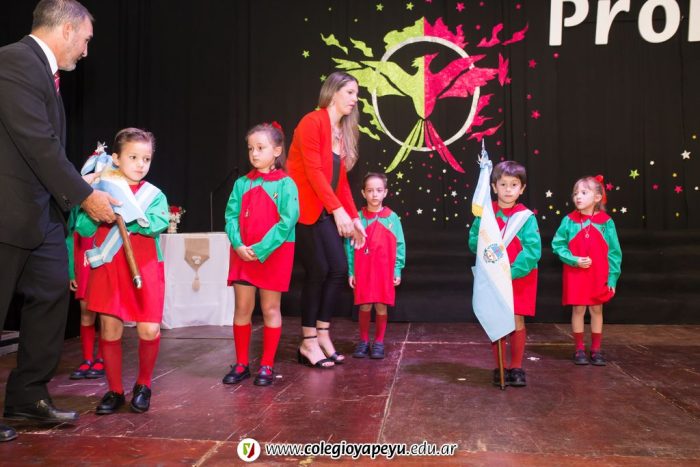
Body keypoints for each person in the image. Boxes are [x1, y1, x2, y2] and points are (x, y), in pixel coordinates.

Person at [0, 0, 116, 440]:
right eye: (85, 40)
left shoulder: (43, 72)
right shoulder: (14, 61)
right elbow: (37, 142)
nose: (86, 51)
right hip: (7, 211)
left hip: (40, 213)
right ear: (67, 29)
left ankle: (28, 398)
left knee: (51, 293)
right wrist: (85, 196)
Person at [75, 128, 169, 414]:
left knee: (149, 328)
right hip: (110, 266)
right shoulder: (101, 191)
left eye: (146, 159)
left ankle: (143, 385)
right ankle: (115, 390)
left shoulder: (154, 194)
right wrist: (97, 213)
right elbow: (83, 227)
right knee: (110, 328)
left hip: (145, 266)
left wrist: (130, 218)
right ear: (115, 158)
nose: (141, 164)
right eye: (133, 157)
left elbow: (158, 223)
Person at [287, 71, 366, 369]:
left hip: (325, 210)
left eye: (356, 94)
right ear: (333, 93)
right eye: (350, 92)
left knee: (338, 269)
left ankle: (322, 334)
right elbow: (313, 172)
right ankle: (307, 341)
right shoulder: (312, 122)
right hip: (305, 210)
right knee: (318, 270)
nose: (354, 99)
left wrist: (354, 217)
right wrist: (337, 211)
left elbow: (341, 182)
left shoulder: (340, 131)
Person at [222, 123, 299, 387]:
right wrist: (238, 244)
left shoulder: (286, 184)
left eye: (260, 148)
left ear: (276, 150)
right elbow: (231, 216)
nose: (254, 153)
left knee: (270, 308)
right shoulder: (242, 184)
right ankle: (241, 363)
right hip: (243, 254)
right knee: (242, 308)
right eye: (250, 148)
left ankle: (267, 364)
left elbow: (287, 221)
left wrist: (261, 248)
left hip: (273, 254)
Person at [469, 161, 541, 387]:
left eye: (514, 184)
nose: (508, 189)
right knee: (496, 319)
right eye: (503, 184)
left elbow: (532, 250)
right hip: (492, 278)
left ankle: (516, 367)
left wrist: (511, 272)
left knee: (517, 319)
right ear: (493, 187)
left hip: (518, 277)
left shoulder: (526, 217)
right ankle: (500, 367)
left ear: (522, 188)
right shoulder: (486, 214)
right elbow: (473, 241)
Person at [552, 175, 622, 366]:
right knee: (578, 308)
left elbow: (614, 253)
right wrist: (574, 260)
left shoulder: (606, 222)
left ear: (597, 197)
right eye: (576, 193)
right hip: (576, 273)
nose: (578, 196)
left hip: (598, 275)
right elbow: (558, 245)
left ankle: (596, 349)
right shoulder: (569, 221)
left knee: (597, 309)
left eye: (584, 192)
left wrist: (612, 278)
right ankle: (579, 349)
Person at [347, 173, 405, 360]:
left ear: (385, 192)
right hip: (363, 271)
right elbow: (349, 247)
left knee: (381, 305)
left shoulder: (392, 218)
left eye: (378, 190)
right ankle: (364, 341)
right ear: (363, 193)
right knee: (364, 305)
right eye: (370, 190)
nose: (374, 194)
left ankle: (379, 341)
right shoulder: (357, 218)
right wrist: (351, 271)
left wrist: (397, 269)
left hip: (384, 272)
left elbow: (400, 245)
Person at [66, 207, 103, 380]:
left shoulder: (110, 206)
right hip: (84, 265)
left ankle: (102, 358)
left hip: (105, 263)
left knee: (105, 316)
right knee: (86, 313)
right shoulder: (77, 209)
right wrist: (71, 272)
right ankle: (87, 359)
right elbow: (70, 240)